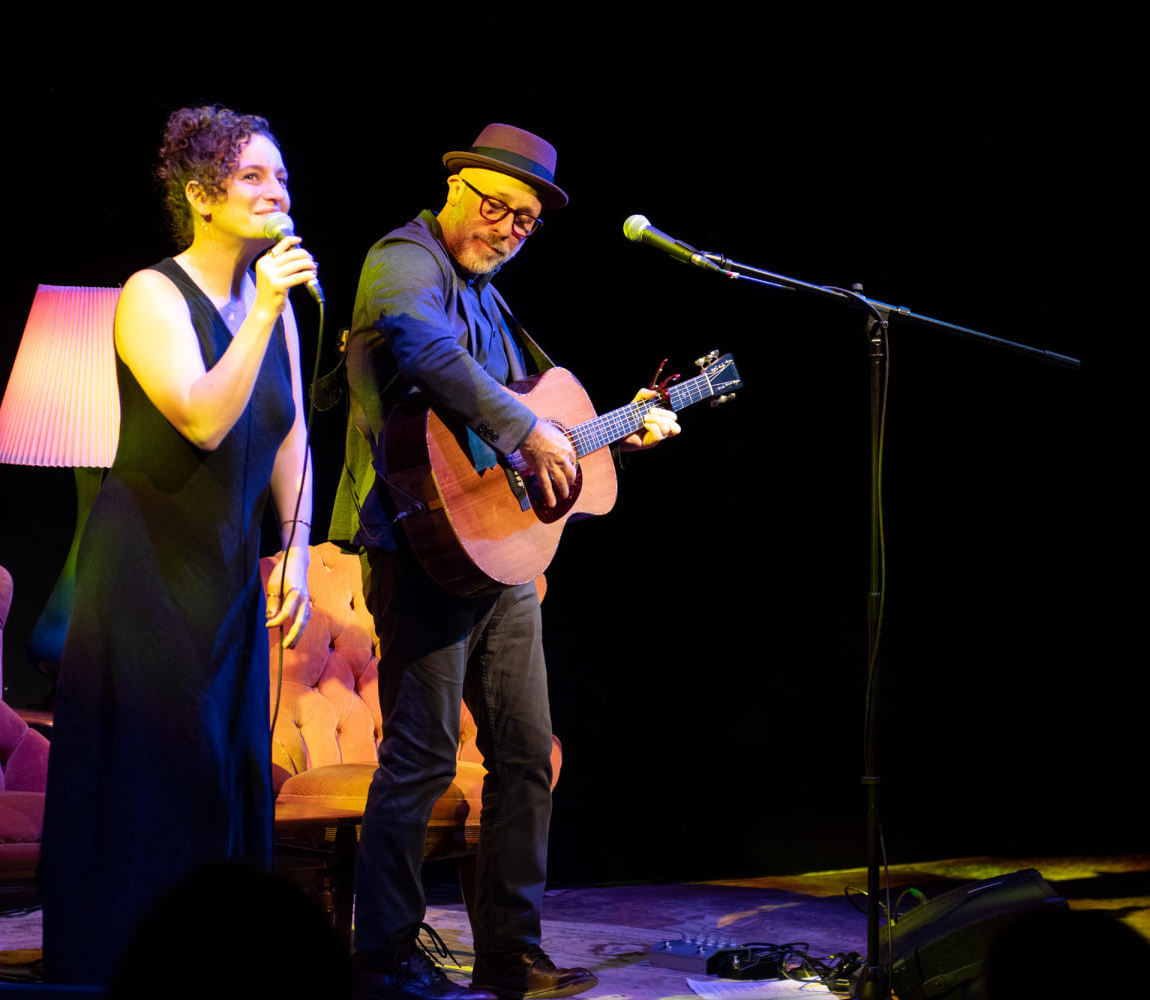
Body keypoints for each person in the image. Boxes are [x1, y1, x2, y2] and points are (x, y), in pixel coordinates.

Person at [330, 124, 680, 1000]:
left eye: (525, 222)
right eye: (496, 207)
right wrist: (527, 432)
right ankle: (383, 960)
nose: (508, 229)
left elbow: (547, 427)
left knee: (525, 754)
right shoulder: (401, 261)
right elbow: (423, 349)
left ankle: (511, 956)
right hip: (420, 547)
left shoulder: (495, 303)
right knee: (421, 758)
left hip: (501, 562)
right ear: (455, 188)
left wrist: (619, 431)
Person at [42, 104, 318, 987]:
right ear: (202, 195)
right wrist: (264, 303)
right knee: (162, 777)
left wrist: (299, 548)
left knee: (226, 772)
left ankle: (220, 968)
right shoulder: (151, 294)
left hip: (229, 573)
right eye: (252, 177)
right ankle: (126, 966)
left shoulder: (274, 311)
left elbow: (289, 436)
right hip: (147, 576)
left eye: (281, 176)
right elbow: (202, 416)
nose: (275, 192)